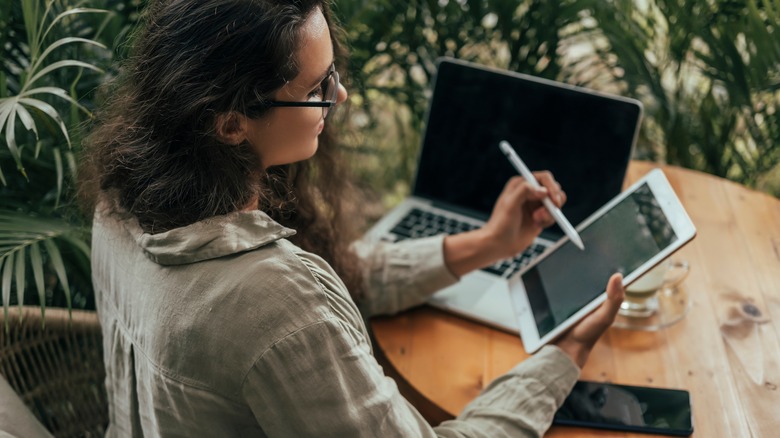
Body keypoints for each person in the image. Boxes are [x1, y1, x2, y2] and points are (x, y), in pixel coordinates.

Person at [78, 0, 625, 436]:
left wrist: (486, 243)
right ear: (230, 125)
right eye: (316, 89)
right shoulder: (270, 300)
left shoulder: (123, 200)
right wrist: (565, 353)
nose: (340, 94)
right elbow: (286, 319)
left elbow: (327, 288)